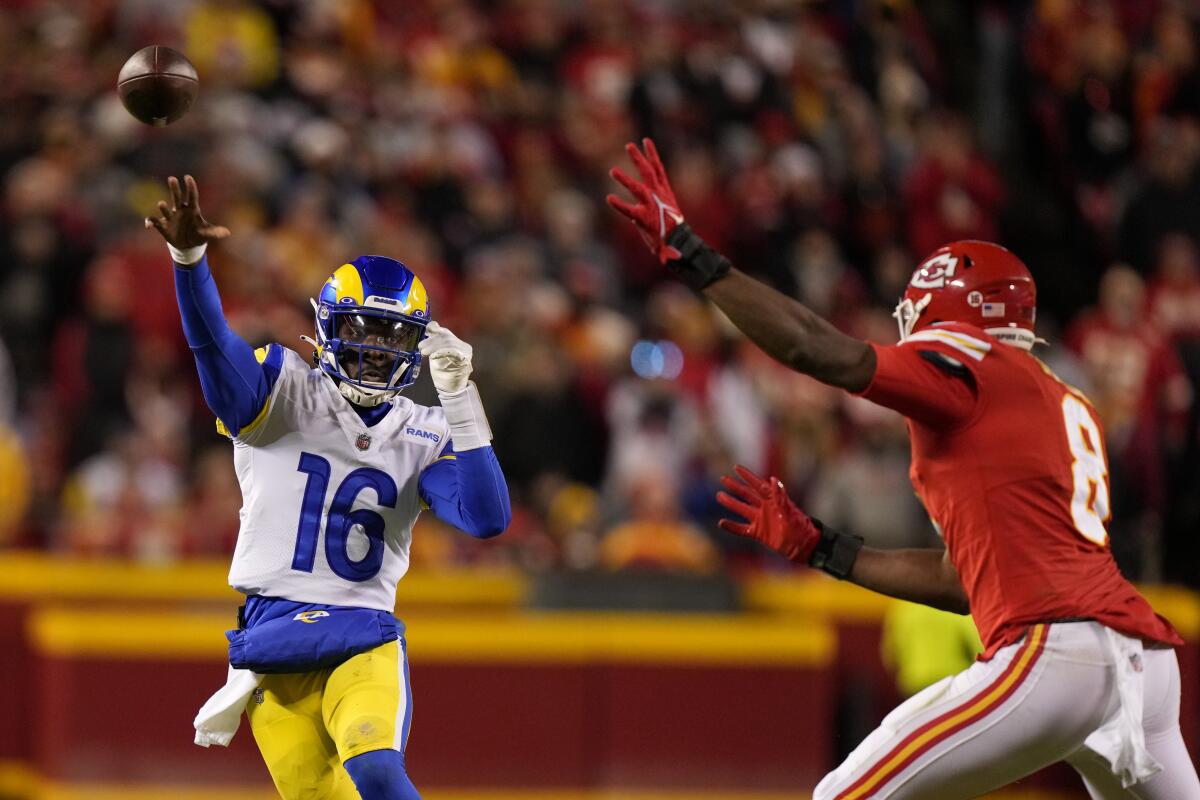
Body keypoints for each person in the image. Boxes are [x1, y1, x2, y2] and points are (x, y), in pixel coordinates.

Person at [607, 140, 1200, 799]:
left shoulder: (971, 366)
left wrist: (693, 256)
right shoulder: (1055, 398)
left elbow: (817, 349)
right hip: (1141, 664)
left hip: (1053, 650)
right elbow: (964, 579)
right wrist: (823, 546)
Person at [147, 176, 511, 800]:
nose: (373, 351)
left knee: (374, 766)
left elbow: (486, 518)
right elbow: (211, 348)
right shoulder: (281, 388)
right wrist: (189, 262)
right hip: (272, 643)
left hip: (361, 636)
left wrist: (461, 400)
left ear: (416, 345)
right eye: (361, 329)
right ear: (326, 326)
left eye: (390, 336)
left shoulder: (423, 430)